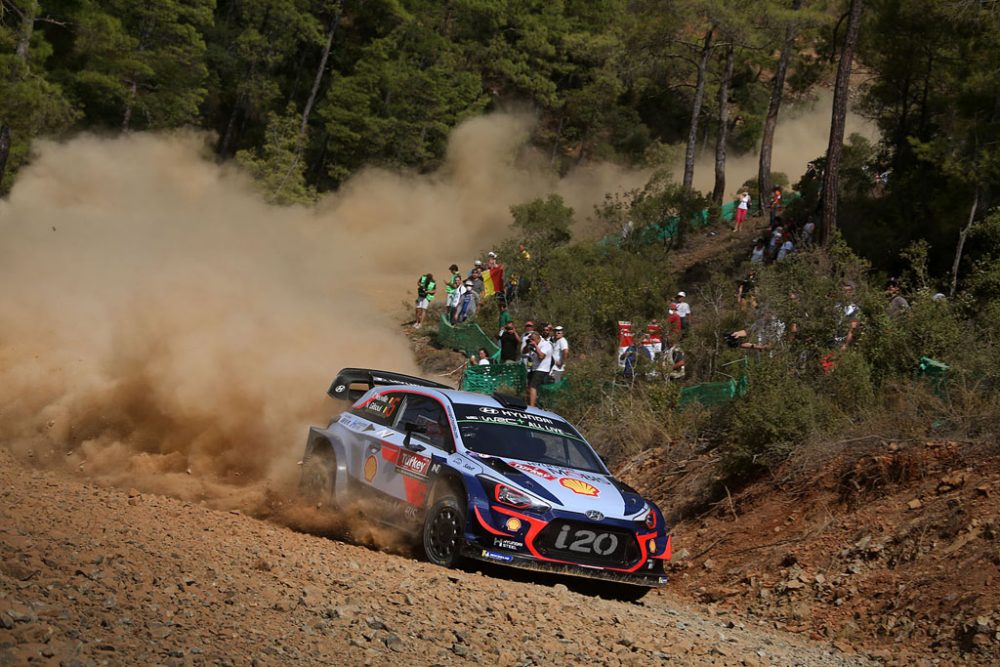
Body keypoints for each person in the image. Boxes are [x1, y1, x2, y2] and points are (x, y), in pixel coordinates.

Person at [525, 332, 553, 407]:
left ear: (538, 339)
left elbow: (541, 356)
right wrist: (527, 344)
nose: (532, 341)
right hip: (534, 368)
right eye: (531, 340)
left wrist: (535, 346)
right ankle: (533, 403)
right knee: (528, 387)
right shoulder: (533, 343)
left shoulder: (546, 345)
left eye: (533, 340)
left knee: (532, 387)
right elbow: (523, 352)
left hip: (542, 369)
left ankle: (532, 407)